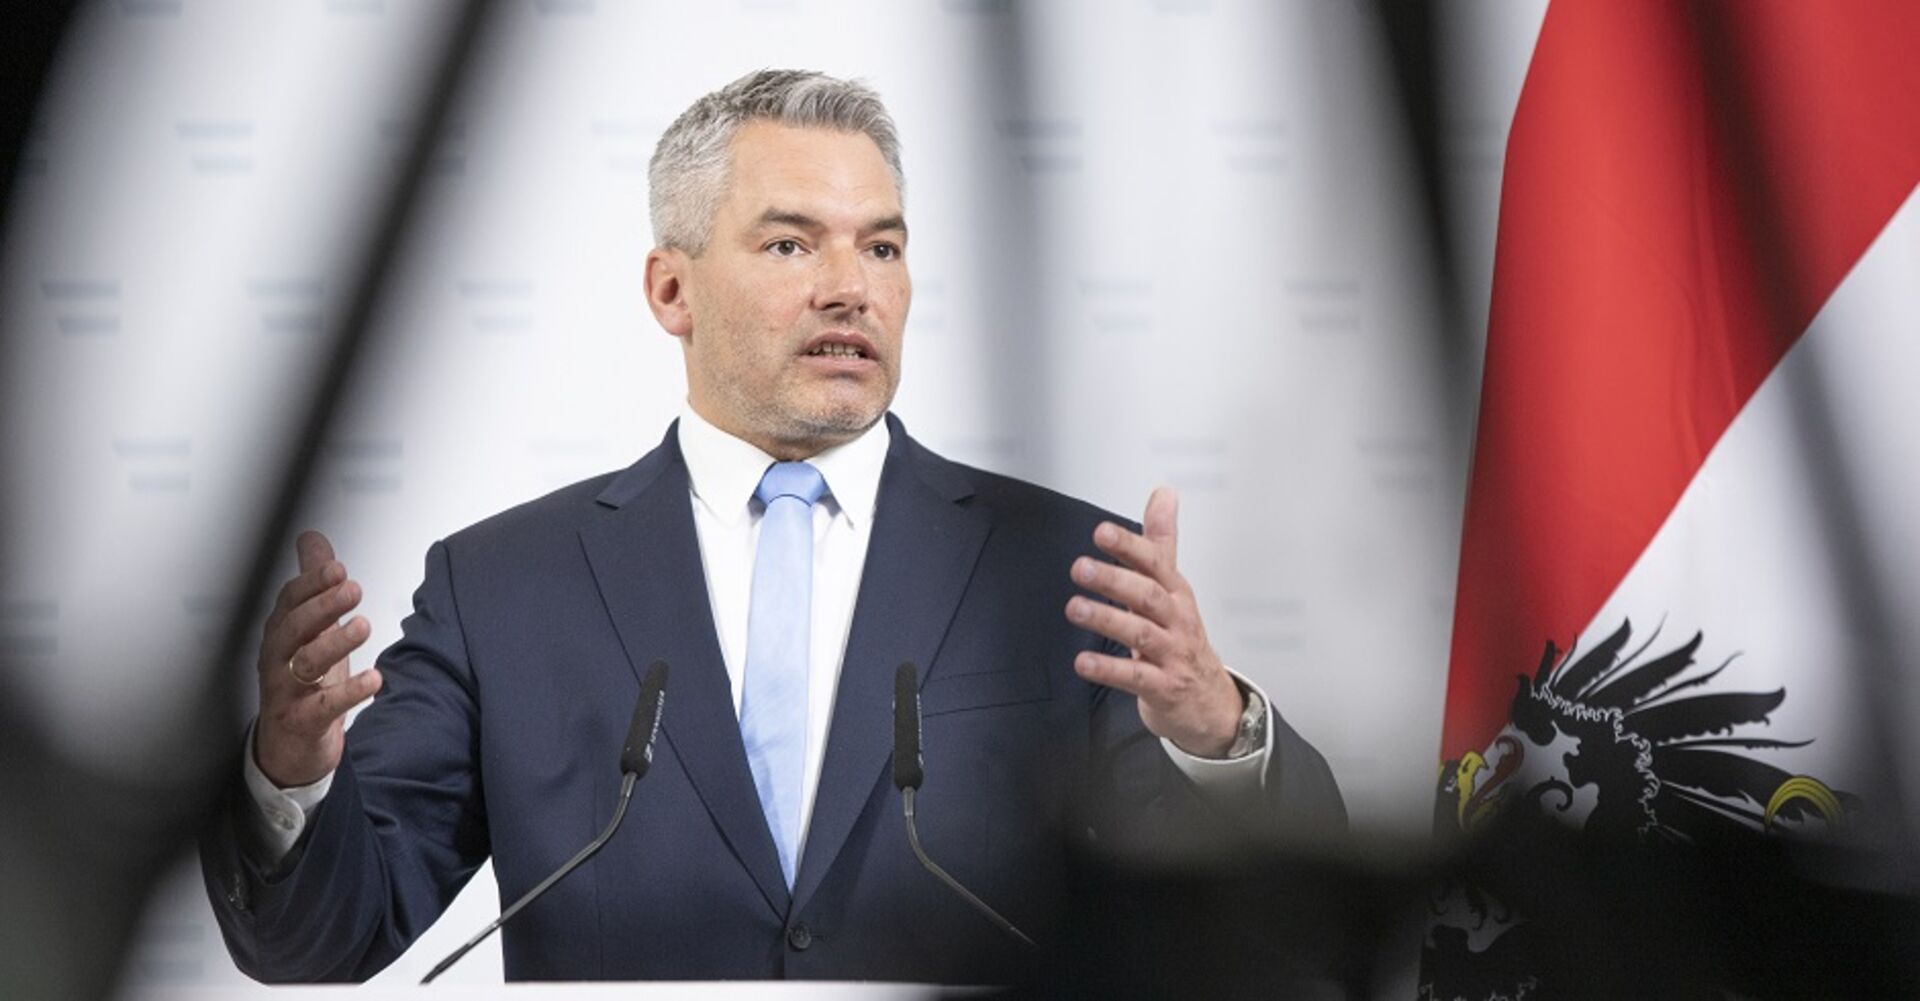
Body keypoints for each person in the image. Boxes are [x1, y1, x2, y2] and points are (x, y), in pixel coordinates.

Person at [200, 69, 1344, 983]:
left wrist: (1219, 736)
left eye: (881, 246)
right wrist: (289, 774)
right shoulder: (503, 587)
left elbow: (1272, 933)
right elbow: (322, 939)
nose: (852, 287)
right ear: (672, 290)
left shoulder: (1062, 570)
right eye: (793, 244)